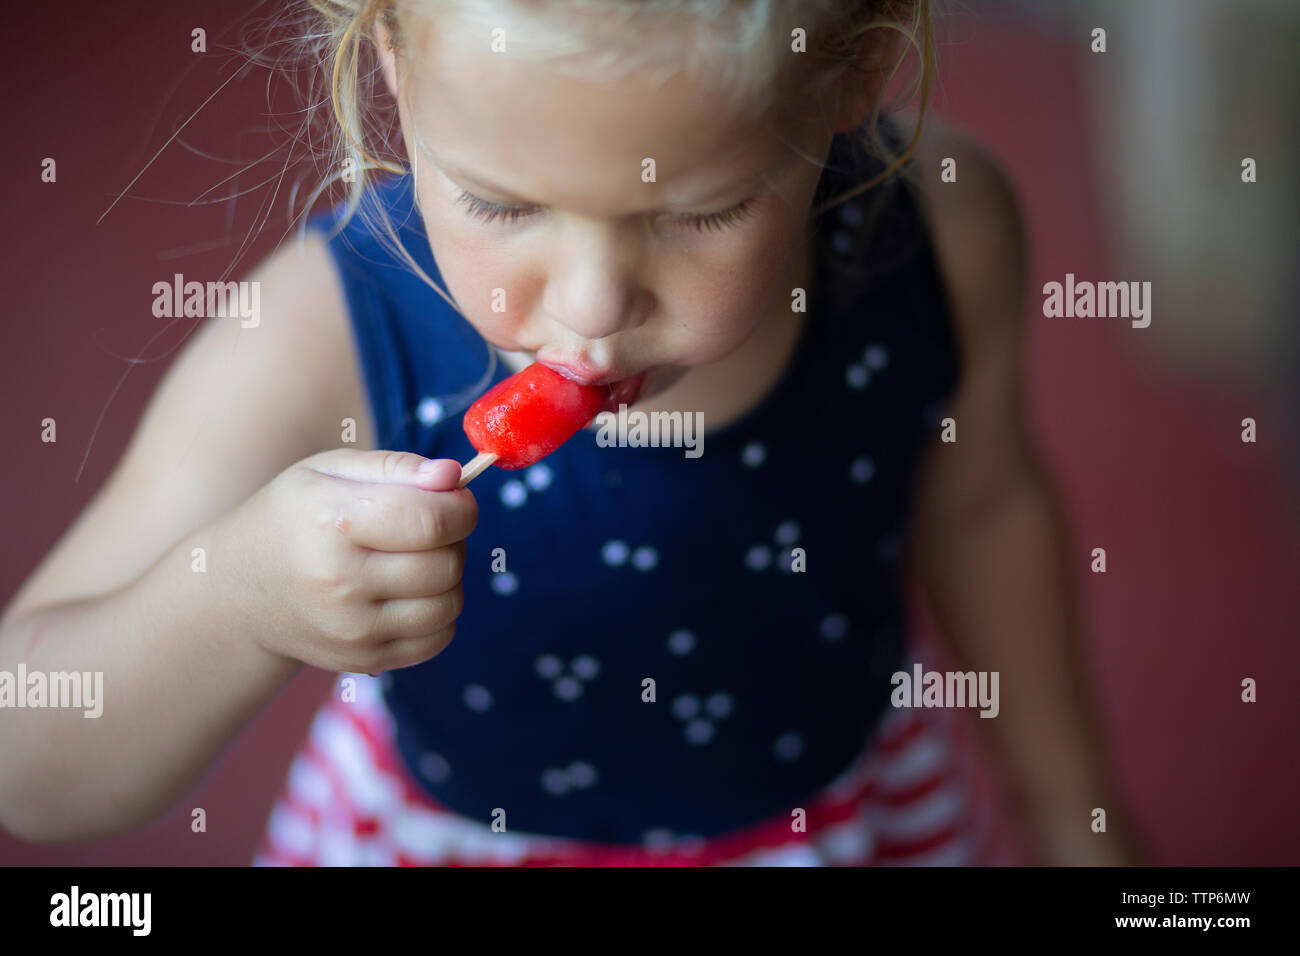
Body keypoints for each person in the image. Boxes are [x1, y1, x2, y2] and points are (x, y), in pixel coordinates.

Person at [0, 0, 1138, 866]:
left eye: (699, 211)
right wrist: (236, 596)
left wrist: (1071, 808)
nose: (591, 309)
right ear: (392, 60)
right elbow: (29, 758)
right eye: (500, 203)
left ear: (852, 67)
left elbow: (984, 505)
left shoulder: (936, 233)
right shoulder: (326, 330)